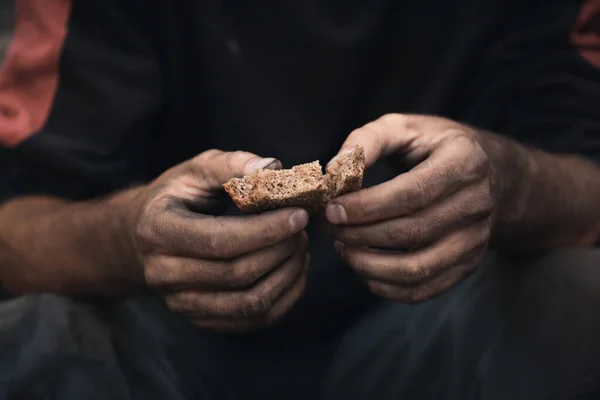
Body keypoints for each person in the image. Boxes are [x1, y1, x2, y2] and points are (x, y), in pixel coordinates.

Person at [1, 0, 600, 399]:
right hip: (167, 338)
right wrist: (132, 237)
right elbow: (14, 227)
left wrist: (504, 179)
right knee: (34, 334)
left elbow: (588, 183)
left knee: (582, 294)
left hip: (439, 328)